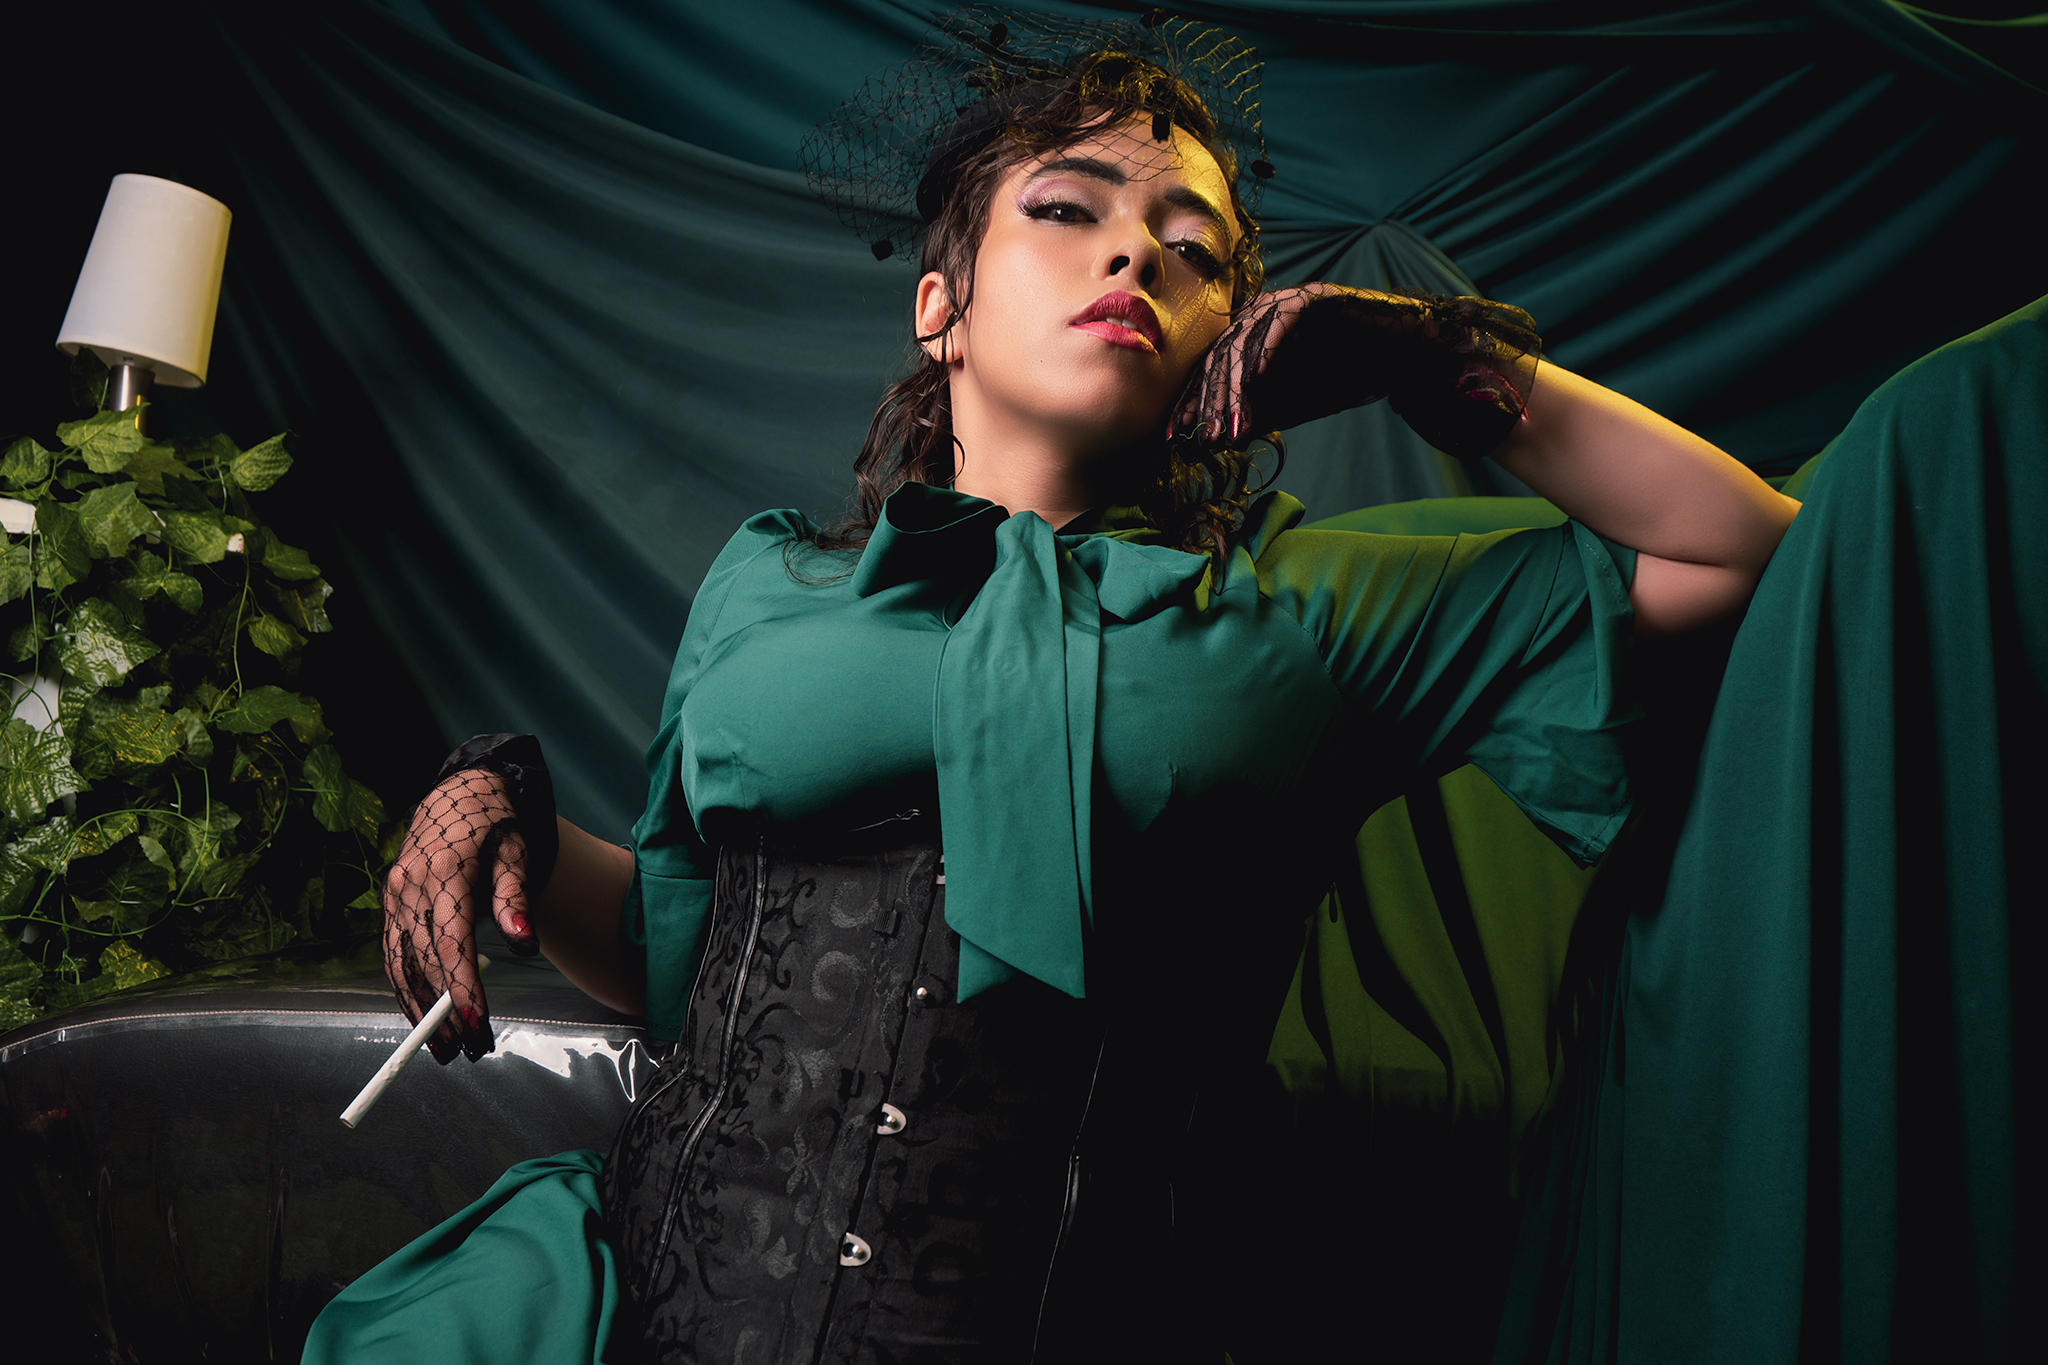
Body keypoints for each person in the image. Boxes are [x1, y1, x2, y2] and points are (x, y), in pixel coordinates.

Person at [313, 14, 1796, 1363]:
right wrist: (505, 806)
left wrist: (1444, 367)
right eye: (1069, 210)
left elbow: (1745, 554)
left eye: (1193, 250)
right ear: (940, 307)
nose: (1134, 257)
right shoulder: (769, 582)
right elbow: (674, 960)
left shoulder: (1313, 609)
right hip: (648, 1315)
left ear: (1229, 339)